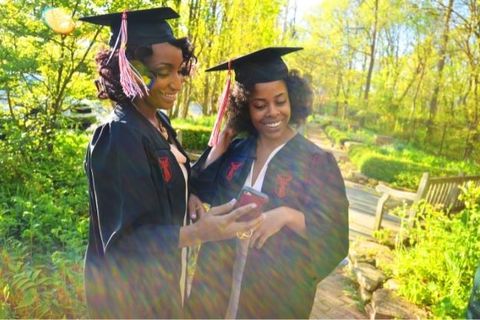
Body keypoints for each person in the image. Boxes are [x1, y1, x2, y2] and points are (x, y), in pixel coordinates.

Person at [81, 8, 263, 318]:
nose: (177, 83)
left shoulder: (158, 122)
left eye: (180, 71)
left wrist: (193, 187)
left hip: (163, 279)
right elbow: (126, 242)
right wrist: (200, 233)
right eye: (163, 71)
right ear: (130, 69)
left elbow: (170, 180)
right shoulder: (119, 135)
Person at [187, 47, 349, 318]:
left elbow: (335, 234)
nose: (272, 112)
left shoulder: (315, 161)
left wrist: (288, 216)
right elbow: (197, 188)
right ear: (245, 108)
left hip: (274, 293)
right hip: (215, 282)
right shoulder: (237, 149)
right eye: (260, 105)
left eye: (280, 101)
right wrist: (218, 148)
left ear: (293, 100)